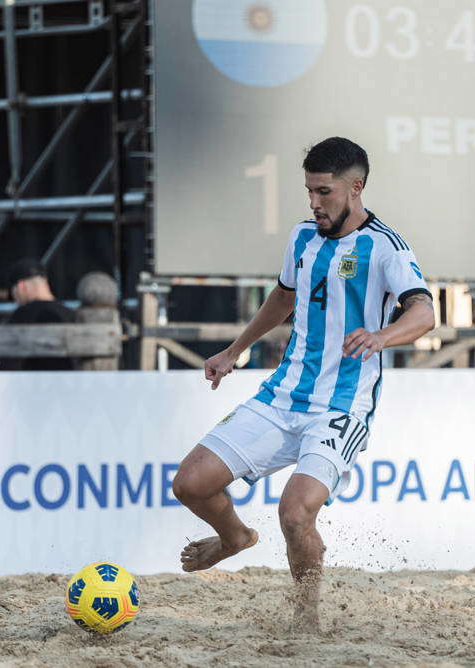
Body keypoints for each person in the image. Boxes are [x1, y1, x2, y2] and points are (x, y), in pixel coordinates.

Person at [171, 137, 435, 631]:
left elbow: (424, 312)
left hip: (341, 407)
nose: (314, 203)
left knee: (294, 514)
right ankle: (235, 539)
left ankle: (306, 617)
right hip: (281, 396)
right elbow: (284, 297)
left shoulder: (386, 247)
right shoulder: (302, 237)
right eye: (309, 192)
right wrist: (235, 350)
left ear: (356, 188)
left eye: (324, 192)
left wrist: (382, 335)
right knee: (190, 484)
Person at [0, 258, 77, 371]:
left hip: (36, 384)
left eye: (13, 294)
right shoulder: (72, 314)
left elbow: (9, 363)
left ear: (21, 286)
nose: (15, 301)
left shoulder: (23, 314)